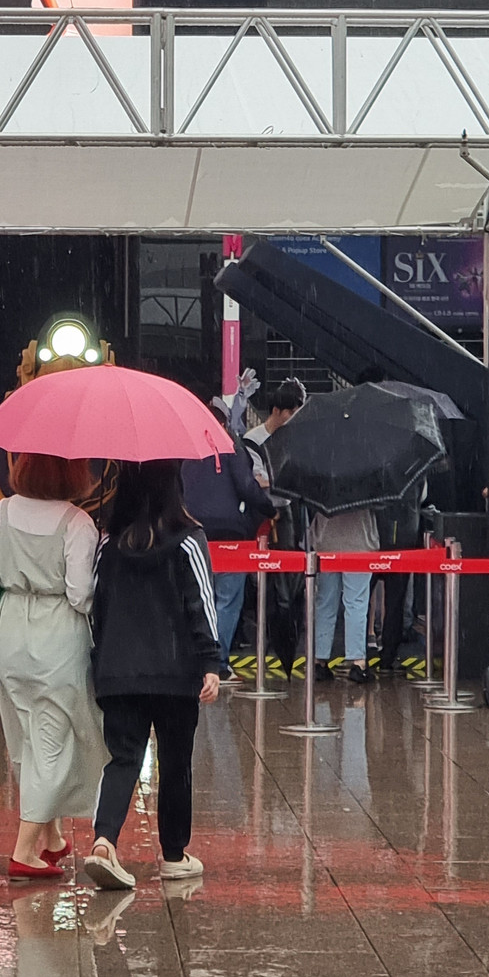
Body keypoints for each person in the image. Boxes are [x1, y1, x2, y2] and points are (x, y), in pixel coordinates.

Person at [84, 460, 222, 892]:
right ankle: (174, 855)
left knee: (123, 758)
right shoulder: (189, 540)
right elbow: (201, 603)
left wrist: (101, 660)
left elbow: (95, 607)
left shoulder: (108, 544)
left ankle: (104, 842)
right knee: (175, 761)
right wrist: (211, 663)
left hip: (119, 671)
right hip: (175, 672)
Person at [0, 452, 107, 877]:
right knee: (56, 737)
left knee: (28, 735)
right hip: (56, 633)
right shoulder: (77, 523)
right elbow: (80, 594)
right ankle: (24, 851)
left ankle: (51, 837)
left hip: (10, 626)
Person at [181, 435, 275, 682]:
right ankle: (218, 664)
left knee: (199, 597)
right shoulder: (229, 445)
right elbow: (246, 487)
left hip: (192, 529)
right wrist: (269, 509)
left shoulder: (186, 447)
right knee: (227, 599)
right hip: (230, 533)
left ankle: (196, 660)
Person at [311, 500, 379, 683]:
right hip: (360, 541)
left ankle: (319, 660)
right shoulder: (365, 481)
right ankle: (357, 662)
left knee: (325, 602)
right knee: (356, 602)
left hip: (326, 541)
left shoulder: (323, 480)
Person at [375, 474, 429, 673]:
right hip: (404, 535)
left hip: (375, 536)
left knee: (360, 599)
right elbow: (423, 497)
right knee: (396, 602)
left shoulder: (372, 467)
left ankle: (358, 654)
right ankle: (388, 657)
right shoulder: (415, 470)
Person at [241, 376, 305, 488]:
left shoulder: (297, 441)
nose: (295, 418)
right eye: (291, 412)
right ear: (276, 410)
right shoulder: (252, 440)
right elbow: (256, 482)